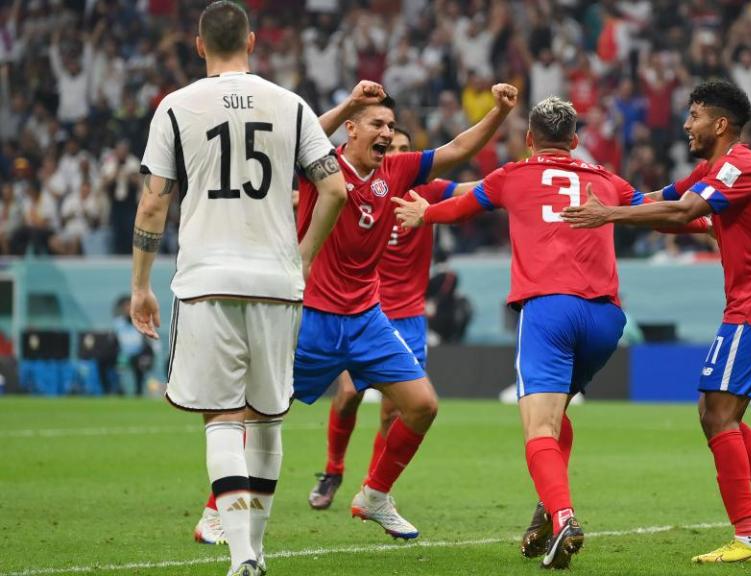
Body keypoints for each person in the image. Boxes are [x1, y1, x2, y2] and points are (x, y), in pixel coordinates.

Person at [393, 96, 708, 569]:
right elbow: (660, 214)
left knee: (538, 425)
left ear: (528, 138)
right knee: (556, 412)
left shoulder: (510, 176)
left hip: (549, 310)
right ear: (576, 141)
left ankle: (563, 517)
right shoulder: (606, 178)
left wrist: (425, 216)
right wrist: (707, 224)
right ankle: (548, 505)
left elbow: (460, 208)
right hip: (606, 320)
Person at [129, 3, 346, 576]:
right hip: (276, 280)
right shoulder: (292, 105)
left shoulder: (175, 107)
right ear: (252, 41)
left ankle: (243, 558)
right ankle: (257, 549)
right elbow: (336, 191)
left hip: (207, 281)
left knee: (222, 419)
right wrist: (301, 256)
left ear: (198, 45)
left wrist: (140, 286)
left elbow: (155, 201)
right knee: (267, 419)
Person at [561, 79, 751, 564]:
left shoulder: (742, 165)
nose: (686, 123)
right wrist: (605, 187)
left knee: (716, 414)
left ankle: (747, 539)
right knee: (720, 413)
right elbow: (663, 206)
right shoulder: (716, 169)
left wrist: (607, 214)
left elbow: (685, 209)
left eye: (694, 115)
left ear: (720, 124)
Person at [294, 80, 518, 540]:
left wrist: (499, 114)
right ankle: (224, 504)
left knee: (421, 406)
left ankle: (374, 494)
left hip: (371, 317)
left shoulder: (399, 173)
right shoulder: (321, 166)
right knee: (264, 407)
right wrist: (350, 102)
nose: (386, 133)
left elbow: (457, 151)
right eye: (377, 124)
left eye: (392, 126)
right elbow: (297, 136)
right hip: (311, 315)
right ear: (350, 129)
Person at [308, 127, 477, 510]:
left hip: (410, 318)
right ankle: (333, 470)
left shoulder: (427, 192)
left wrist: (519, 174)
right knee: (349, 394)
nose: (395, 154)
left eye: (404, 149)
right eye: (391, 148)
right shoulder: (363, 193)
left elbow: (473, 190)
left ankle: (372, 489)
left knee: (396, 411)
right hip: (366, 312)